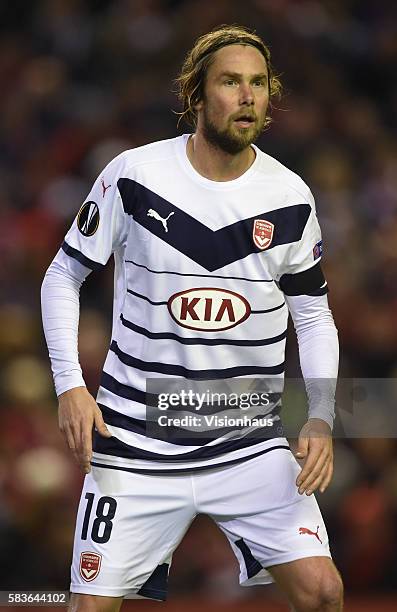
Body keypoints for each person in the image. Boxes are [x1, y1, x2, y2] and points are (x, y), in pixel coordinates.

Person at [41, 25, 343, 612]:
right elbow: (62, 275)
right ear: (197, 96)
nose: (248, 96)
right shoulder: (133, 177)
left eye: (259, 83)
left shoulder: (291, 197)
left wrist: (323, 417)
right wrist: (70, 387)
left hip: (247, 439)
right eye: (231, 82)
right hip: (135, 441)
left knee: (324, 592)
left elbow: (312, 314)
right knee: (89, 608)